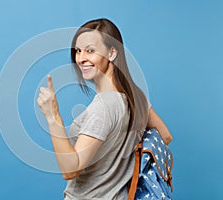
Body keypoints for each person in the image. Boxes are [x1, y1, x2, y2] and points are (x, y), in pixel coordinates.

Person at [37, 18, 172, 200]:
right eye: (78, 51)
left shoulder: (104, 107)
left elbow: (70, 170)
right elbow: (165, 136)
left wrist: (53, 116)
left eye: (90, 51)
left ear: (112, 53)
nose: (81, 58)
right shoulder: (135, 96)